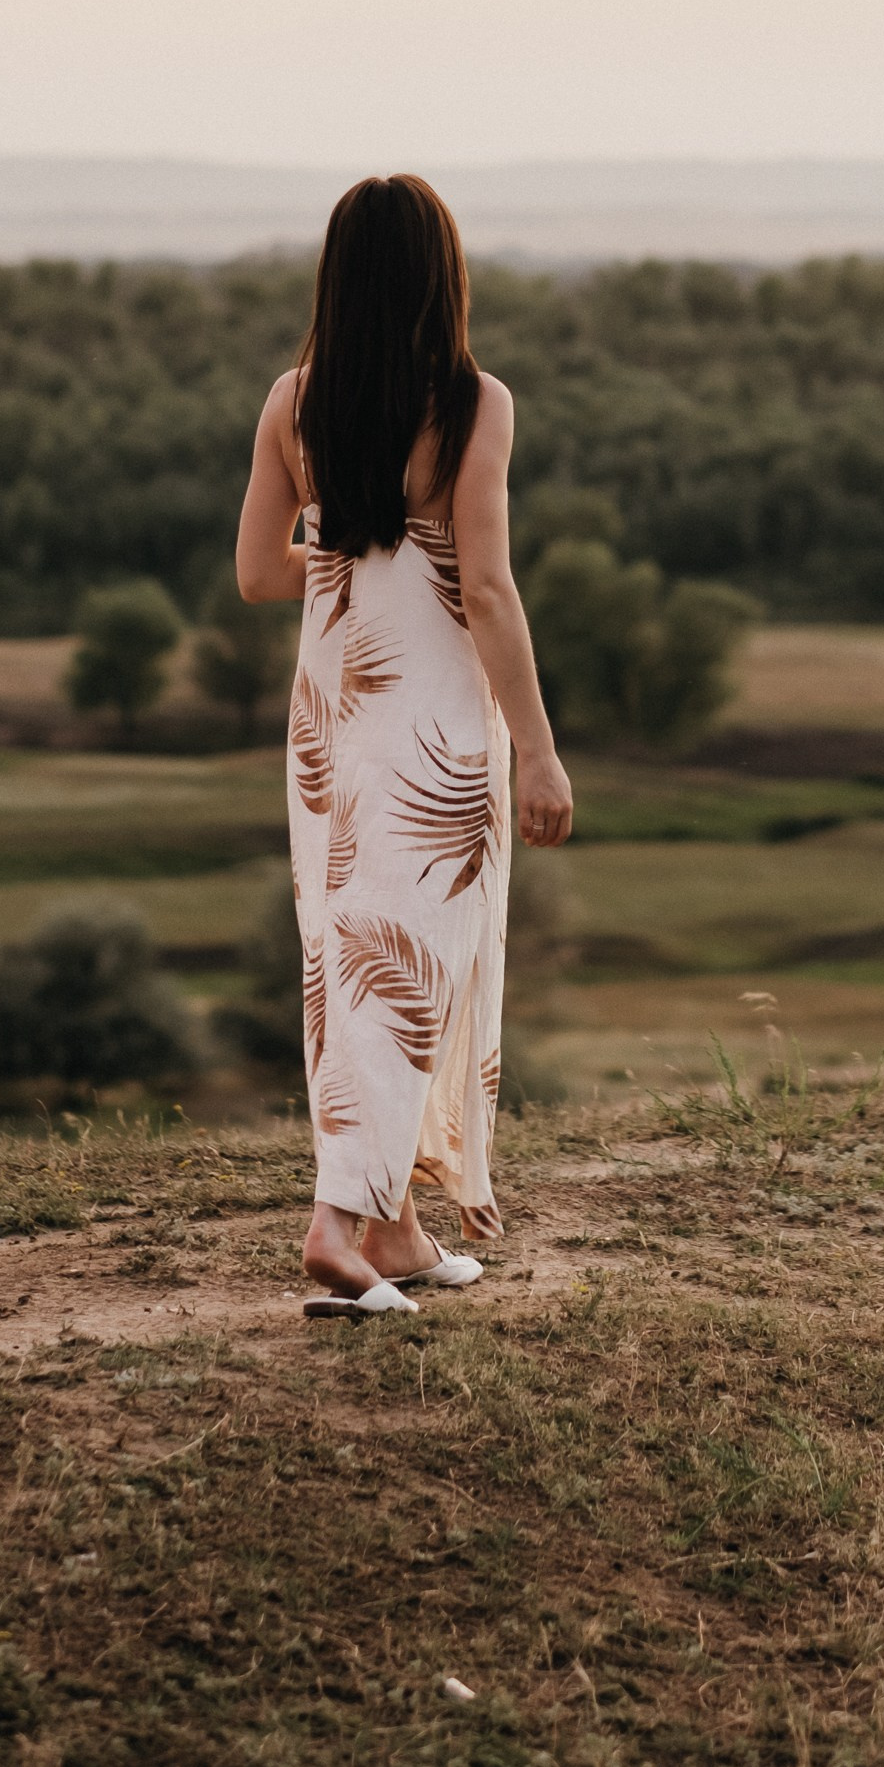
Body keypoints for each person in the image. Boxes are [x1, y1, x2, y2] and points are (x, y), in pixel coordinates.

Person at [234, 173, 573, 1316]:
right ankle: (335, 1225)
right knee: (410, 970)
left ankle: (399, 1229)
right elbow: (485, 585)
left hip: (331, 727)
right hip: (432, 730)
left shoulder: (293, 401)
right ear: (441, 274)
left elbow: (257, 572)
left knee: (356, 962)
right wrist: (537, 747)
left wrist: (351, 552)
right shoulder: (475, 403)